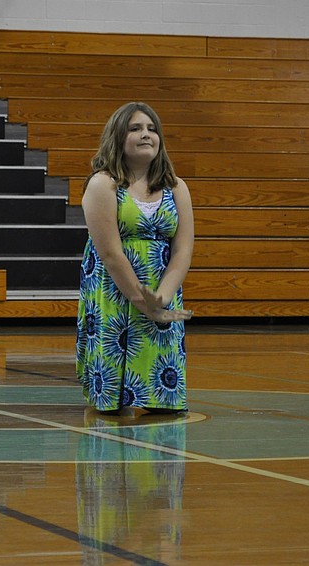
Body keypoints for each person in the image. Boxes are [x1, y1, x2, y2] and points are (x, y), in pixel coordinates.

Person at [76, 101, 193, 415]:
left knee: (164, 405)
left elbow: (183, 250)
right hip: (115, 290)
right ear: (118, 137)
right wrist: (144, 303)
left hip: (161, 291)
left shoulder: (177, 187)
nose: (146, 135)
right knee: (114, 410)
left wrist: (163, 298)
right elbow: (111, 254)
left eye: (152, 129)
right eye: (136, 128)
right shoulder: (103, 185)